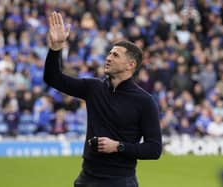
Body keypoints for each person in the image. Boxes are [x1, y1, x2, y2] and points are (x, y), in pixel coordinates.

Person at [44, 12, 162, 187]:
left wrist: (118, 146)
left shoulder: (144, 101)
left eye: (115, 55)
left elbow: (154, 149)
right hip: (86, 179)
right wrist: (56, 48)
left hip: (120, 181)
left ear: (131, 65)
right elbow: (53, 78)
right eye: (109, 53)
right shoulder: (93, 88)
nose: (108, 58)